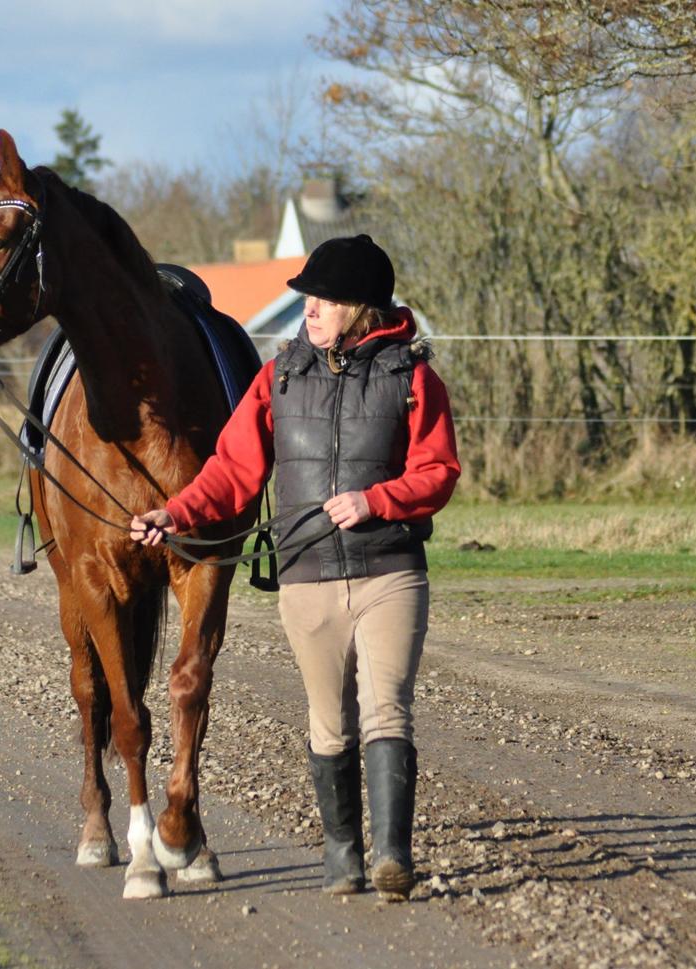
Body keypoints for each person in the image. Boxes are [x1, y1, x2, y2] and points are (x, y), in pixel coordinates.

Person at [130, 234, 460, 900]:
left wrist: (376, 499)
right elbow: (231, 471)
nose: (309, 308)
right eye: (308, 296)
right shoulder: (277, 376)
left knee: (386, 709)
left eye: (325, 298)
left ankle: (392, 855)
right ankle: (344, 856)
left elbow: (439, 471)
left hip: (389, 569)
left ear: (361, 307)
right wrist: (175, 513)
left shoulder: (413, 376)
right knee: (328, 721)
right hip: (305, 576)